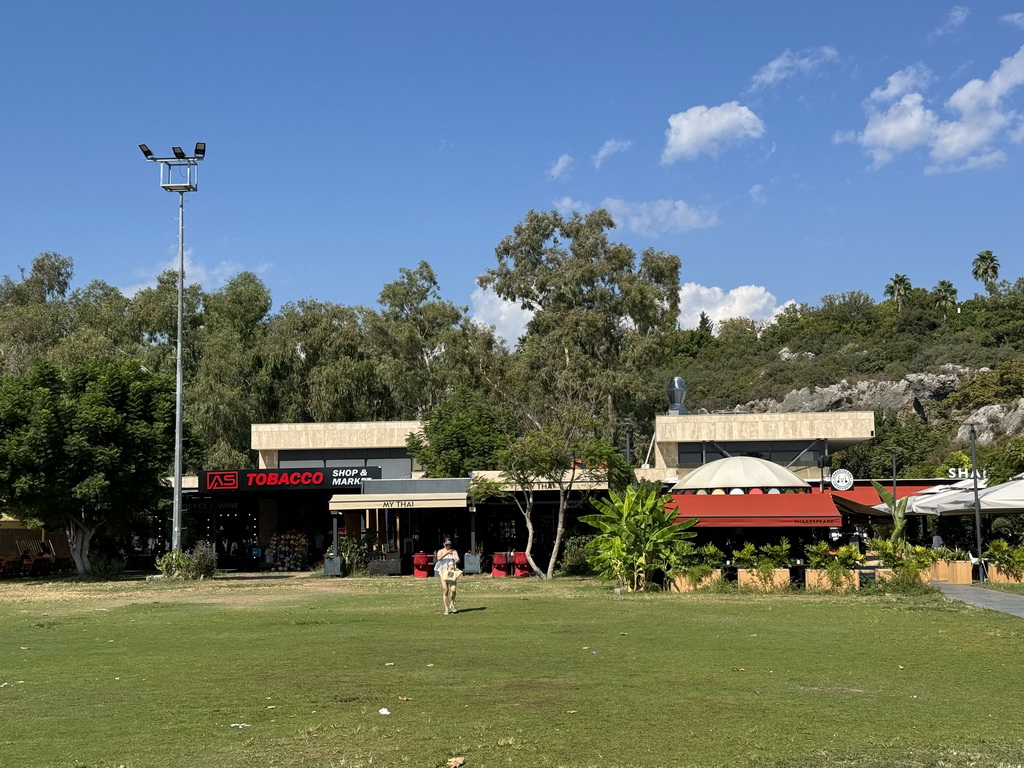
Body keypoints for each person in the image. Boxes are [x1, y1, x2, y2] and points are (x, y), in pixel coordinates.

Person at [434, 538, 461, 615]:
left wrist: (457, 559)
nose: (448, 546)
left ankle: (452, 604)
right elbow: (439, 558)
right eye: (447, 545)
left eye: (450, 545)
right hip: (443, 571)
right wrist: (447, 553)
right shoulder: (441, 551)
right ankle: (446, 608)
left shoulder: (454, 551)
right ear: (443, 544)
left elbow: (457, 558)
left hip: (451, 572)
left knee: (453, 589)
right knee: (445, 590)